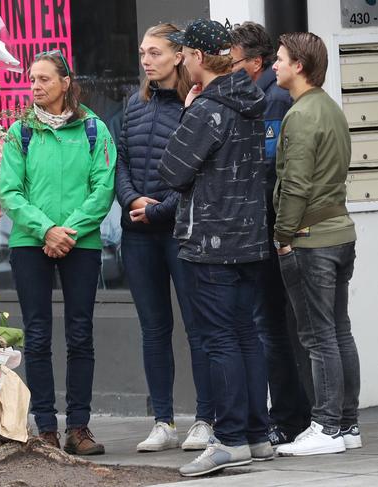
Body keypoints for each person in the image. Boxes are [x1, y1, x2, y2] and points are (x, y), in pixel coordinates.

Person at [158, 19, 272, 476]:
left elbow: (172, 171)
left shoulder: (208, 107)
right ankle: (257, 435)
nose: (182, 60)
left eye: (185, 54)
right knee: (245, 334)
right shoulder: (249, 101)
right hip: (249, 237)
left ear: (200, 58)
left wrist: (189, 111)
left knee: (221, 338)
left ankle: (228, 439)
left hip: (210, 239)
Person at [0, 50, 116, 455]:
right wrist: (46, 229)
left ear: (66, 82)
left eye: (44, 79)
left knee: (80, 334)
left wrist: (70, 231)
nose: (35, 86)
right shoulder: (20, 132)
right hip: (31, 243)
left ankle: (78, 428)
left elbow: (104, 188)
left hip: (80, 243)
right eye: (32, 79)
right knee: (37, 335)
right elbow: (9, 192)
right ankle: (46, 427)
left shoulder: (94, 130)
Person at [116, 22, 215, 453]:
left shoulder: (195, 106)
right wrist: (132, 200)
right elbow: (117, 162)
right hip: (138, 235)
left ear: (179, 56)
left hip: (180, 232)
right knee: (153, 329)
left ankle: (206, 420)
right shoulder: (132, 105)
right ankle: (163, 420)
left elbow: (197, 174)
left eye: (154, 52)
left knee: (198, 328)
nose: (146, 60)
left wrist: (157, 209)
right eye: (142, 53)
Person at [272, 32, 362, 456]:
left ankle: (326, 427)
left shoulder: (301, 115)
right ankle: (346, 425)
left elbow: (295, 184)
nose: (274, 65)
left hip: (311, 239)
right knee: (339, 330)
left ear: (299, 66)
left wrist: (282, 236)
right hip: (340, 233)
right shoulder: (330, 108)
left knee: (317, 335)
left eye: (280, 59)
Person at [230, 22, 312, 447]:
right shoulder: (256, 96)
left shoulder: (273, 100)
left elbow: (269, 171)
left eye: (234, 60)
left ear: (255, 62)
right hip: (262, 228)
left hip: (269, 230)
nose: (228, 66)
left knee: (271, 326)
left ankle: (289, 418)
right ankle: (292, 415)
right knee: (272, 326)